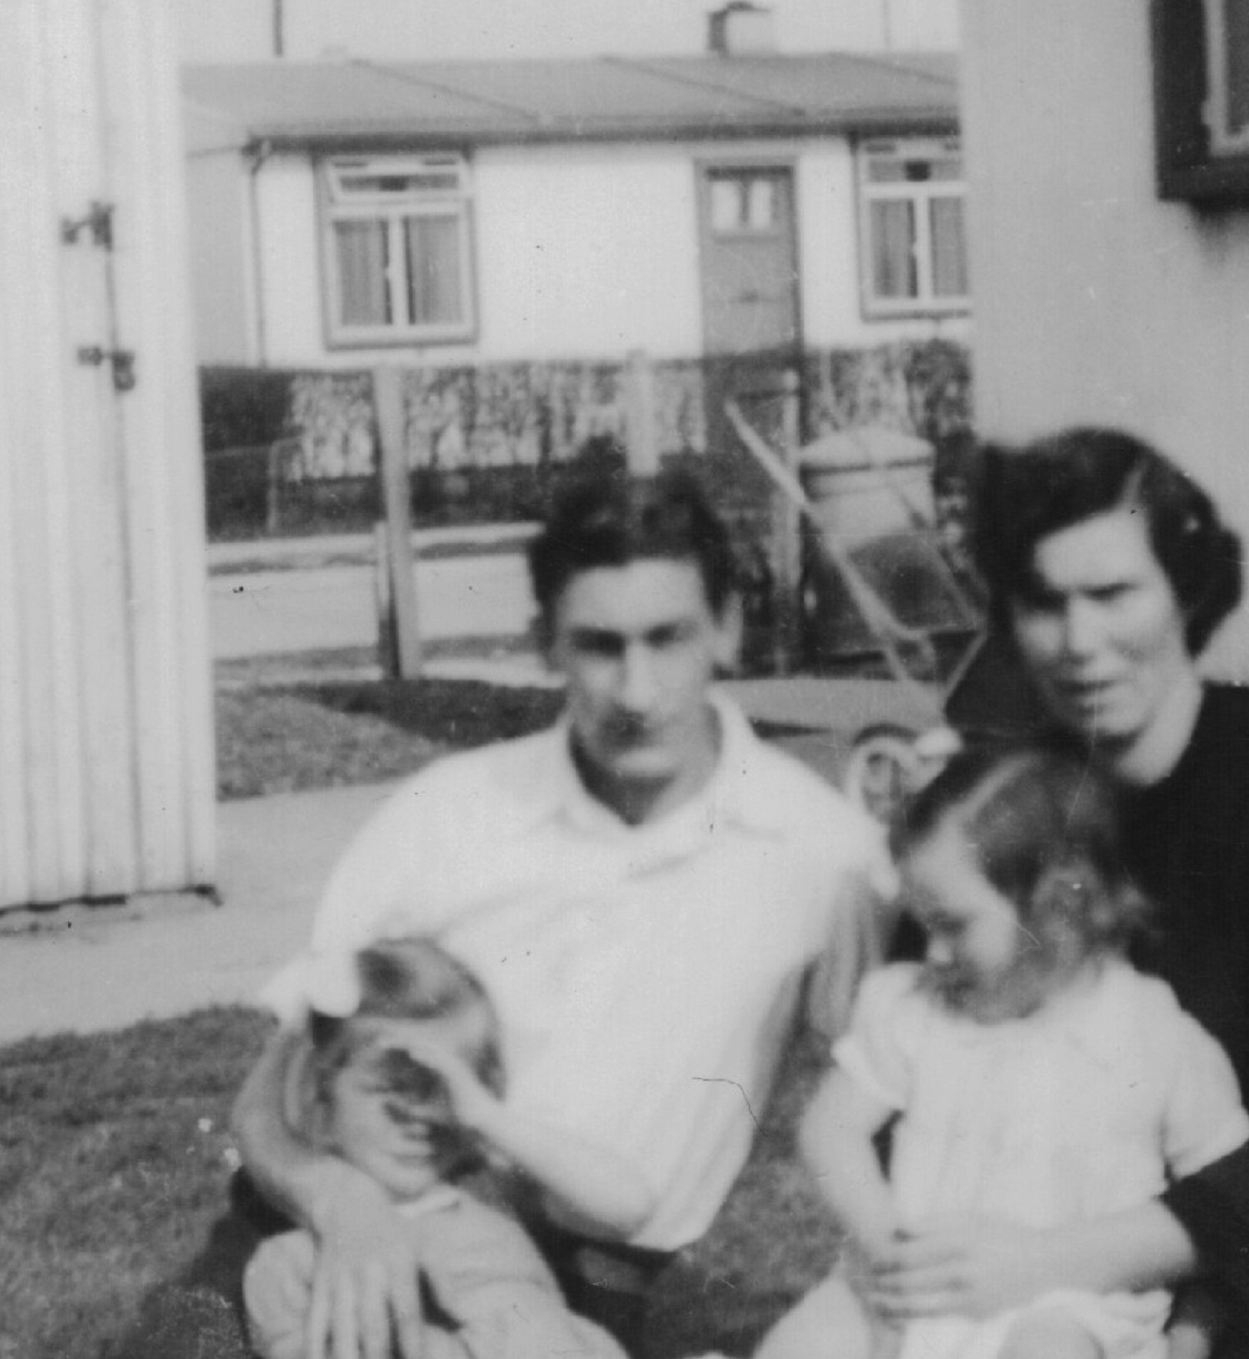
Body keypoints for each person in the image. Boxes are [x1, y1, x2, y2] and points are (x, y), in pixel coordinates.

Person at [143, 467, 889, 1359]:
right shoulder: (449, 811)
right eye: (600, 645)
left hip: (577, 1281)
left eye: (668, 638)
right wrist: (341, 1206)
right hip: (337, 1214)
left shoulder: (820, 850)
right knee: (185, 1344)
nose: (638, 689)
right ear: (546, 644)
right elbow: (274, 1091)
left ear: (727, 629)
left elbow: (906, 1081)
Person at [862, 429, 1249, 1359]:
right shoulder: (996, 808)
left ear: (1185, 592)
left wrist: (1048, 1263)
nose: (1081, 643)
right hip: (999, 1308)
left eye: (1114, 594)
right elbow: (912, 1075)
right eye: (1042, 602)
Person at [757, 745, 1249, 1359]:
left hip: (1067, 1306)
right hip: (908, 1281)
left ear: (1060, 906)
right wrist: (889, 1250)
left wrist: (1192, 1336)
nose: (932, 953)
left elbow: (1234, 1204)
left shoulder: (1153, 1038)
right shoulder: (917, 1010)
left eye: (953, 925)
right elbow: (829, 1131)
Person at [243, 938, 649, 1359]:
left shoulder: (489, 1190)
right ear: (321, 1099)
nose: (421, 1116)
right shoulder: (297, 1261)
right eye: (389, 1089)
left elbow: (632, 1205)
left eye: (441, 1089)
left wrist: (484, 1114)